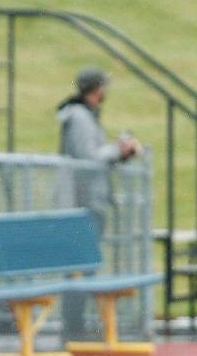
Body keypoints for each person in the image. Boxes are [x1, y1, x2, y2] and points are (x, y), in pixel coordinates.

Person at [57, 66, 142, 337]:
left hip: (90, 202)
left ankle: (79, 325)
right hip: (83, 204)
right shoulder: (79, 117)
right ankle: (74, 327)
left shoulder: (86, 116)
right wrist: (118, 150)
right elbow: (89, 157)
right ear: (95, 90)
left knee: (87, 265)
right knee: (80, 266)